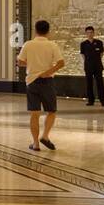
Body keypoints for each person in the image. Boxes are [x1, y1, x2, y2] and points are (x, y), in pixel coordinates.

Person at [17, 19, 64, 151]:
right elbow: (61, 63)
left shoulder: (28, 44)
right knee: (51, 111)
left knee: (34, 114)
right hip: (47, 81)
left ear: (35, 30)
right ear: (48, 31)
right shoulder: (52, 45)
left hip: (31, 81)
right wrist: (48, 72)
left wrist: (31, 64)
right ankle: (45, 136)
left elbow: (20, 62)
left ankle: (35, 143)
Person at [80, 25, 104, 107]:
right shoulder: (83, 44)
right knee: (89, 84)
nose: (89, 34)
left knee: (100, 83)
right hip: (88, 66)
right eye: (88, 32)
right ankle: (90, 101)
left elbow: (101, 53)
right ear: (86, 33)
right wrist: (88, 62)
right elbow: (82, 54)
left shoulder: (99, 42)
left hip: (98, 66)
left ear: (93, 33)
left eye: (91, 32)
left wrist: (96, 61)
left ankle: (103, 101)